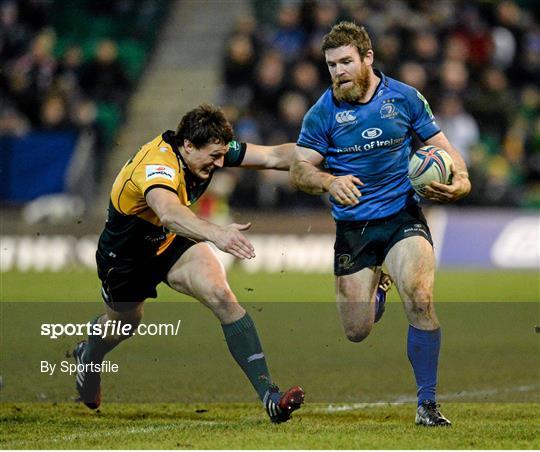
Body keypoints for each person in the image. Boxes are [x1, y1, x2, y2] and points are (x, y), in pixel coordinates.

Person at [73, 104, 304, 423]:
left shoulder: (208, 147)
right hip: (126, 259)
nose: (221, 163)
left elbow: (275, 156)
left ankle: (270, 396)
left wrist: (330, 154)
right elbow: (168, 211)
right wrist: (217, 234)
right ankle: (90, 353)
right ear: (188, 146)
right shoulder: (157, 165)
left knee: (222, 295)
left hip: (171, 240)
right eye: (214, 156)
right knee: (125, 324)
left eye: (223, 154)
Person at [290, 22, 471, 426]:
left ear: (367, 58)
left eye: (346, 62)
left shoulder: (404, 98)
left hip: (402, 217)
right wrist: (328, 181)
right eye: (332, 64)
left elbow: (441, 147)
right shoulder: (322, 113)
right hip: (354, 229)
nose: (338, 71)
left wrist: (462, 180)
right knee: (357, 331)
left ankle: (427, 404)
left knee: (421, 298)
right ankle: (378, 291)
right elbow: (299, 171)